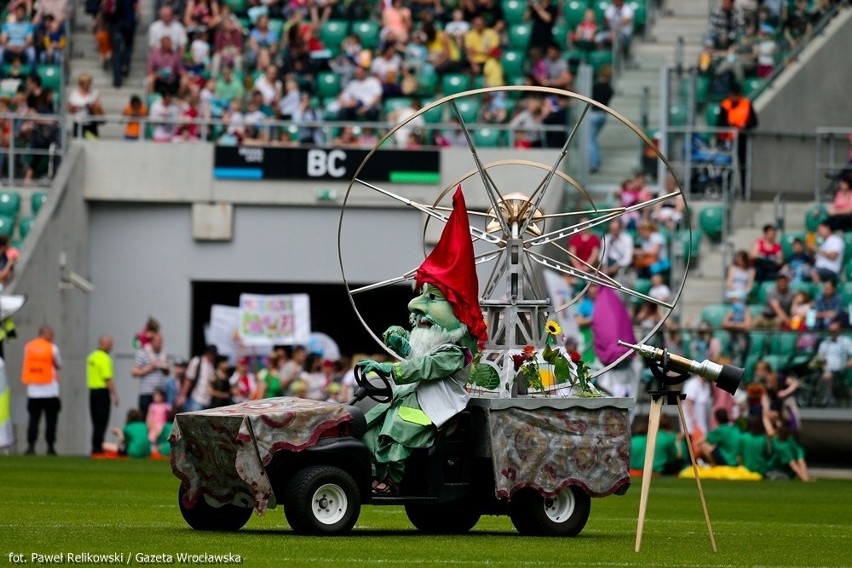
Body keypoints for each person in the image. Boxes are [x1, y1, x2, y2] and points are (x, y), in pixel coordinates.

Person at [356, 187, 487, 495]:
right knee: (370, 421)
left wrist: (387, 368)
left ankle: (392, 480)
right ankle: (372, 472)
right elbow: (417, 356)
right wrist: (402, 344)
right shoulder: (436, 338)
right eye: (421, 296)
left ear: (458, 310)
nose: (416, 305)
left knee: (399, 426)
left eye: (432, 298)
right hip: (411, 395)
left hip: (436, 405)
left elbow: (426, 367)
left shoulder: (456, 351)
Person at [22, 324, 62, 455]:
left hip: (33, 391)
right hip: (50, 391)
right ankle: (50, 446)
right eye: (51, 335)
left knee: (33, 420)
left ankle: (31, 445)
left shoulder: (29, 347)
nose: (52, 337)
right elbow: (59, 364)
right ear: (46, 334)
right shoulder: (52, 348)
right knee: (51, 421)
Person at [717, 82, 758, 196]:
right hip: (728, 140)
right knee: (727, 165)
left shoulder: (746, 104)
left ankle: (745, 192)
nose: (734, 97)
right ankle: (726, 190)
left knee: (743, 165)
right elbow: (720, 123)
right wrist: (730, 127)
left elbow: (754, 122)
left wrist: (745, 126)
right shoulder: (725, 105)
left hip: (742, 139)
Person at [87, 334, 118, 457]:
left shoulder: (91, 357)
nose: (111, 346)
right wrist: (114, 395)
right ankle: (97, 448)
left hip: (92, 392)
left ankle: (95, 446)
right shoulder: (105, 358)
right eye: (109, 343)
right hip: (102, 393)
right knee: (102, 421)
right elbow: (107, 379)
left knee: (95, 421)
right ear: (103, 344)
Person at [813, 317, 852, 407]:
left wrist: (849, 362)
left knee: (827, 375)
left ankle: (829, 398)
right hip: (824, 368)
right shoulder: (825, 343)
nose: (832, 333)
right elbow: (820, 358)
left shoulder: (845, 341)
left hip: (839, 369)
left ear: (839, 330)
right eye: (831, 331)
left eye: (834, 331)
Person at [131, 331, 168, 417]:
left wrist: (165, 367)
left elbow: (167, 373)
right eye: (158, 340)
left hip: (159, 394)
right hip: (147, 393)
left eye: (161, 341)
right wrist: (150, 367)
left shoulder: (162, 354)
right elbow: (134, 372)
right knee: (145, 417)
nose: (161, 343)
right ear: (152, 341)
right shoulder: (142, 353)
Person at [105, 0, 139, 88]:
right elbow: (136, 6)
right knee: (128, 45)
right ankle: (124, 64)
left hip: (114, 24)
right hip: (128, 22)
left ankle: (117, 79)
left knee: (116, 51)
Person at [588, 66, 614, 173]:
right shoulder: (609, 88)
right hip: (603, 115)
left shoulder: (596, 87)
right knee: (593, 139)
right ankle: (596, 160)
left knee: (591, 140)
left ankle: (594, 163)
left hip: (594, 114)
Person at [178, 344, 218, 411]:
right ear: (207, 353)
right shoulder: (197, 361)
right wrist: (183, 395)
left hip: (208, 401)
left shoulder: (212, 365)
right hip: (196, 398)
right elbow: (188, 379)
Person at [67, 73, 104, 139]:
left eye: (90, 83)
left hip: (91, 123)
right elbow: (70, 109)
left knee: (93, 143)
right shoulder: (74, 94)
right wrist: (77, 107)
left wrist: (92, 107)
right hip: (79, 123)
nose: (89, 85)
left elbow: (99, 109)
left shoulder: (94, 93)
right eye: (88, 83)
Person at [722, 289, 751, 366]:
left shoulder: (745, 309)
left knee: (738, 362)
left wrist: (733, 325)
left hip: (741, 340)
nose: (733, 301)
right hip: (732, 340)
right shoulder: (733, 309)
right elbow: (724, 323)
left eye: (735, 299)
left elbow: (747, 325)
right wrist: (739, 325)